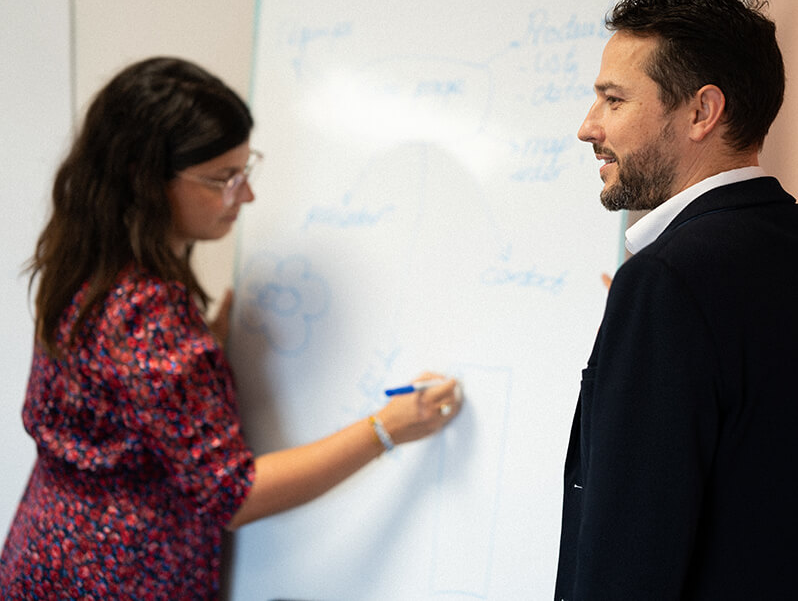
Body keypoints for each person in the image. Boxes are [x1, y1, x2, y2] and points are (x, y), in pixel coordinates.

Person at [0, 57, 462, 600]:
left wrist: (196, 359)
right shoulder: (147, 315)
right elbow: (234, 495)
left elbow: (116, 403)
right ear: (143, 180)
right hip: (112, 580)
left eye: (247, 170)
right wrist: (386, 428)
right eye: (223, 178)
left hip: (47, 557)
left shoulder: (90, 258)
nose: (246, 196)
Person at [555, 0, 798, 599]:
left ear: (701, 111)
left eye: (613, 99)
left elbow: (628, 552)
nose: (588, 127)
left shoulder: (664, 281)